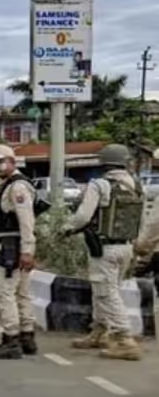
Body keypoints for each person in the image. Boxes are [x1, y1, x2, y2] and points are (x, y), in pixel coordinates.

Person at [62, 144, 142, 360]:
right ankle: (100, 331)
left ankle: (125, 340)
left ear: (104, 163)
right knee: (105, 290)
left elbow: (83, 217)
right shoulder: (135, 185)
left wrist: (67, 228)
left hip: (104, 248)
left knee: (107, 293)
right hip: (126, 247)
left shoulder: (100, 185)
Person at [0, 144, 37, 360]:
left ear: (12, 161)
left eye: (0, 161)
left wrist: (27, 250)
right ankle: (27, 336)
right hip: (14, 244)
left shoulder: (17, 187)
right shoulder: (9, 184)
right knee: (21, 292)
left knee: (4, 292)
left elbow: (26, 220)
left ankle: (11, 339)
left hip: (12, 246)